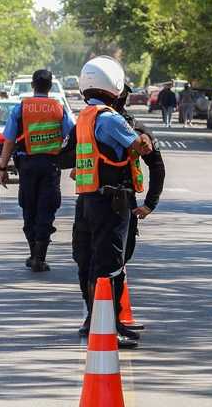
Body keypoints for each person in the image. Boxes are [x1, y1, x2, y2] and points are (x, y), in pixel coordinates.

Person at [59, 56, 152, 349]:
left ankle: (94, 322)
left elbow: (66, 156)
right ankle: (109, 328)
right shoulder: (110, 118)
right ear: (113, 83)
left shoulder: (85, 116)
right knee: (110, 267)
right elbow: (139, 146)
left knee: (87, 262)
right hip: (112, 203)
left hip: (87, 201)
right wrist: (144, 138)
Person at [0, 69, 75, 273]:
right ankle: (39, 257)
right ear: (50, 87)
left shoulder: (21, 108)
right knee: (46, 210)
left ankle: (34, 253)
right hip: (50, 166)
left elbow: (9, 140)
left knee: (29, 208)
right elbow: (73, 136)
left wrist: (2, 167)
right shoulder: (58, 108)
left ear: (33, 85)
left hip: (28, 167)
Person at [111, 85, 166, 331]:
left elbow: (157, 165)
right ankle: (98, 319)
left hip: (119, 205)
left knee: (115, 264)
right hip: (97, 206)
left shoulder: (134, 130)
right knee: (98, 264)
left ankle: (110, 320)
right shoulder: (90, 122)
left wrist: (149, 204)